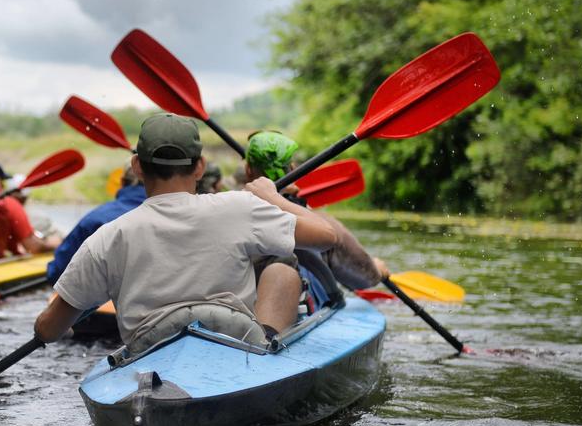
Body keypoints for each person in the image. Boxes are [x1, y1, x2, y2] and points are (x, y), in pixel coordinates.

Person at [34, 114, 338, 352]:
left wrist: (51, 325)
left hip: (149, 351)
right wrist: (274, 198)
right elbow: (327, 236)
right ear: (200, 167)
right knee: (282, 264)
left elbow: (48, 330)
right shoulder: (239, 207)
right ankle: (269, 343)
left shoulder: (108, 236)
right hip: (236, 342)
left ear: (137, 166)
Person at [243, 130, 389, 300]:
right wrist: (378, 271)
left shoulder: (227, 209)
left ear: (248, 170)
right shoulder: (319, 226)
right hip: (296, 305)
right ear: (293, 168)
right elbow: (364, 279)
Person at [46, 162, 147, 285]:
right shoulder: (167, 217)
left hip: (102, 294)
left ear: (121, 182)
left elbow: (58, 272)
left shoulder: (95, 219)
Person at [0, 161, 61, 261]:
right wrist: (57, 244)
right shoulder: (8, 203)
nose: (3, 186)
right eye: (2, 181)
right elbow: (34, 247)